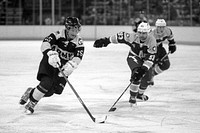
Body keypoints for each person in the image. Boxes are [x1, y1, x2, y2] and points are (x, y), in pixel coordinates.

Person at [19, 17, 85, 114]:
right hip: (50, 62)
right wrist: (50, 53)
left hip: (62, 67)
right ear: (67, 28)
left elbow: (78, 56)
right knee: (46, 83)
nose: (74, 31)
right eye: (72, 28)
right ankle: (32, 103)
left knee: (52, 91)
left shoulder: (79, 42)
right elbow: (45, 43)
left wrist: (71, 65)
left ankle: (31, 92)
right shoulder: (58, 34)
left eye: (76, 28)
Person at [93, 22, 157, 104]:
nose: (141, 35)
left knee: (148, 78)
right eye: (140, 32)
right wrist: (106, 41)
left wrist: (144, 69)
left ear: (148, 32)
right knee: (136, 74)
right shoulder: (132, 37)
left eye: (144, 33)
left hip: (145, 60)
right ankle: (132, 98)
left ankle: (139, 94)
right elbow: (119, 37)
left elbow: (151, 58)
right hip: (134, 57)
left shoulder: (152, 41)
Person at [150, 19, 176, 85]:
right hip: (151, 49)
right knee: (151, 64)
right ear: (156, 27)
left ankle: (152, 74)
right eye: (159, 27)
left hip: (160, 48)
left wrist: (172, 45)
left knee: (166, 65)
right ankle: (148, 77)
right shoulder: (151, 33)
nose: (161, 29)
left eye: (163, 27)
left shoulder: (167, 30)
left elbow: (171, 38)